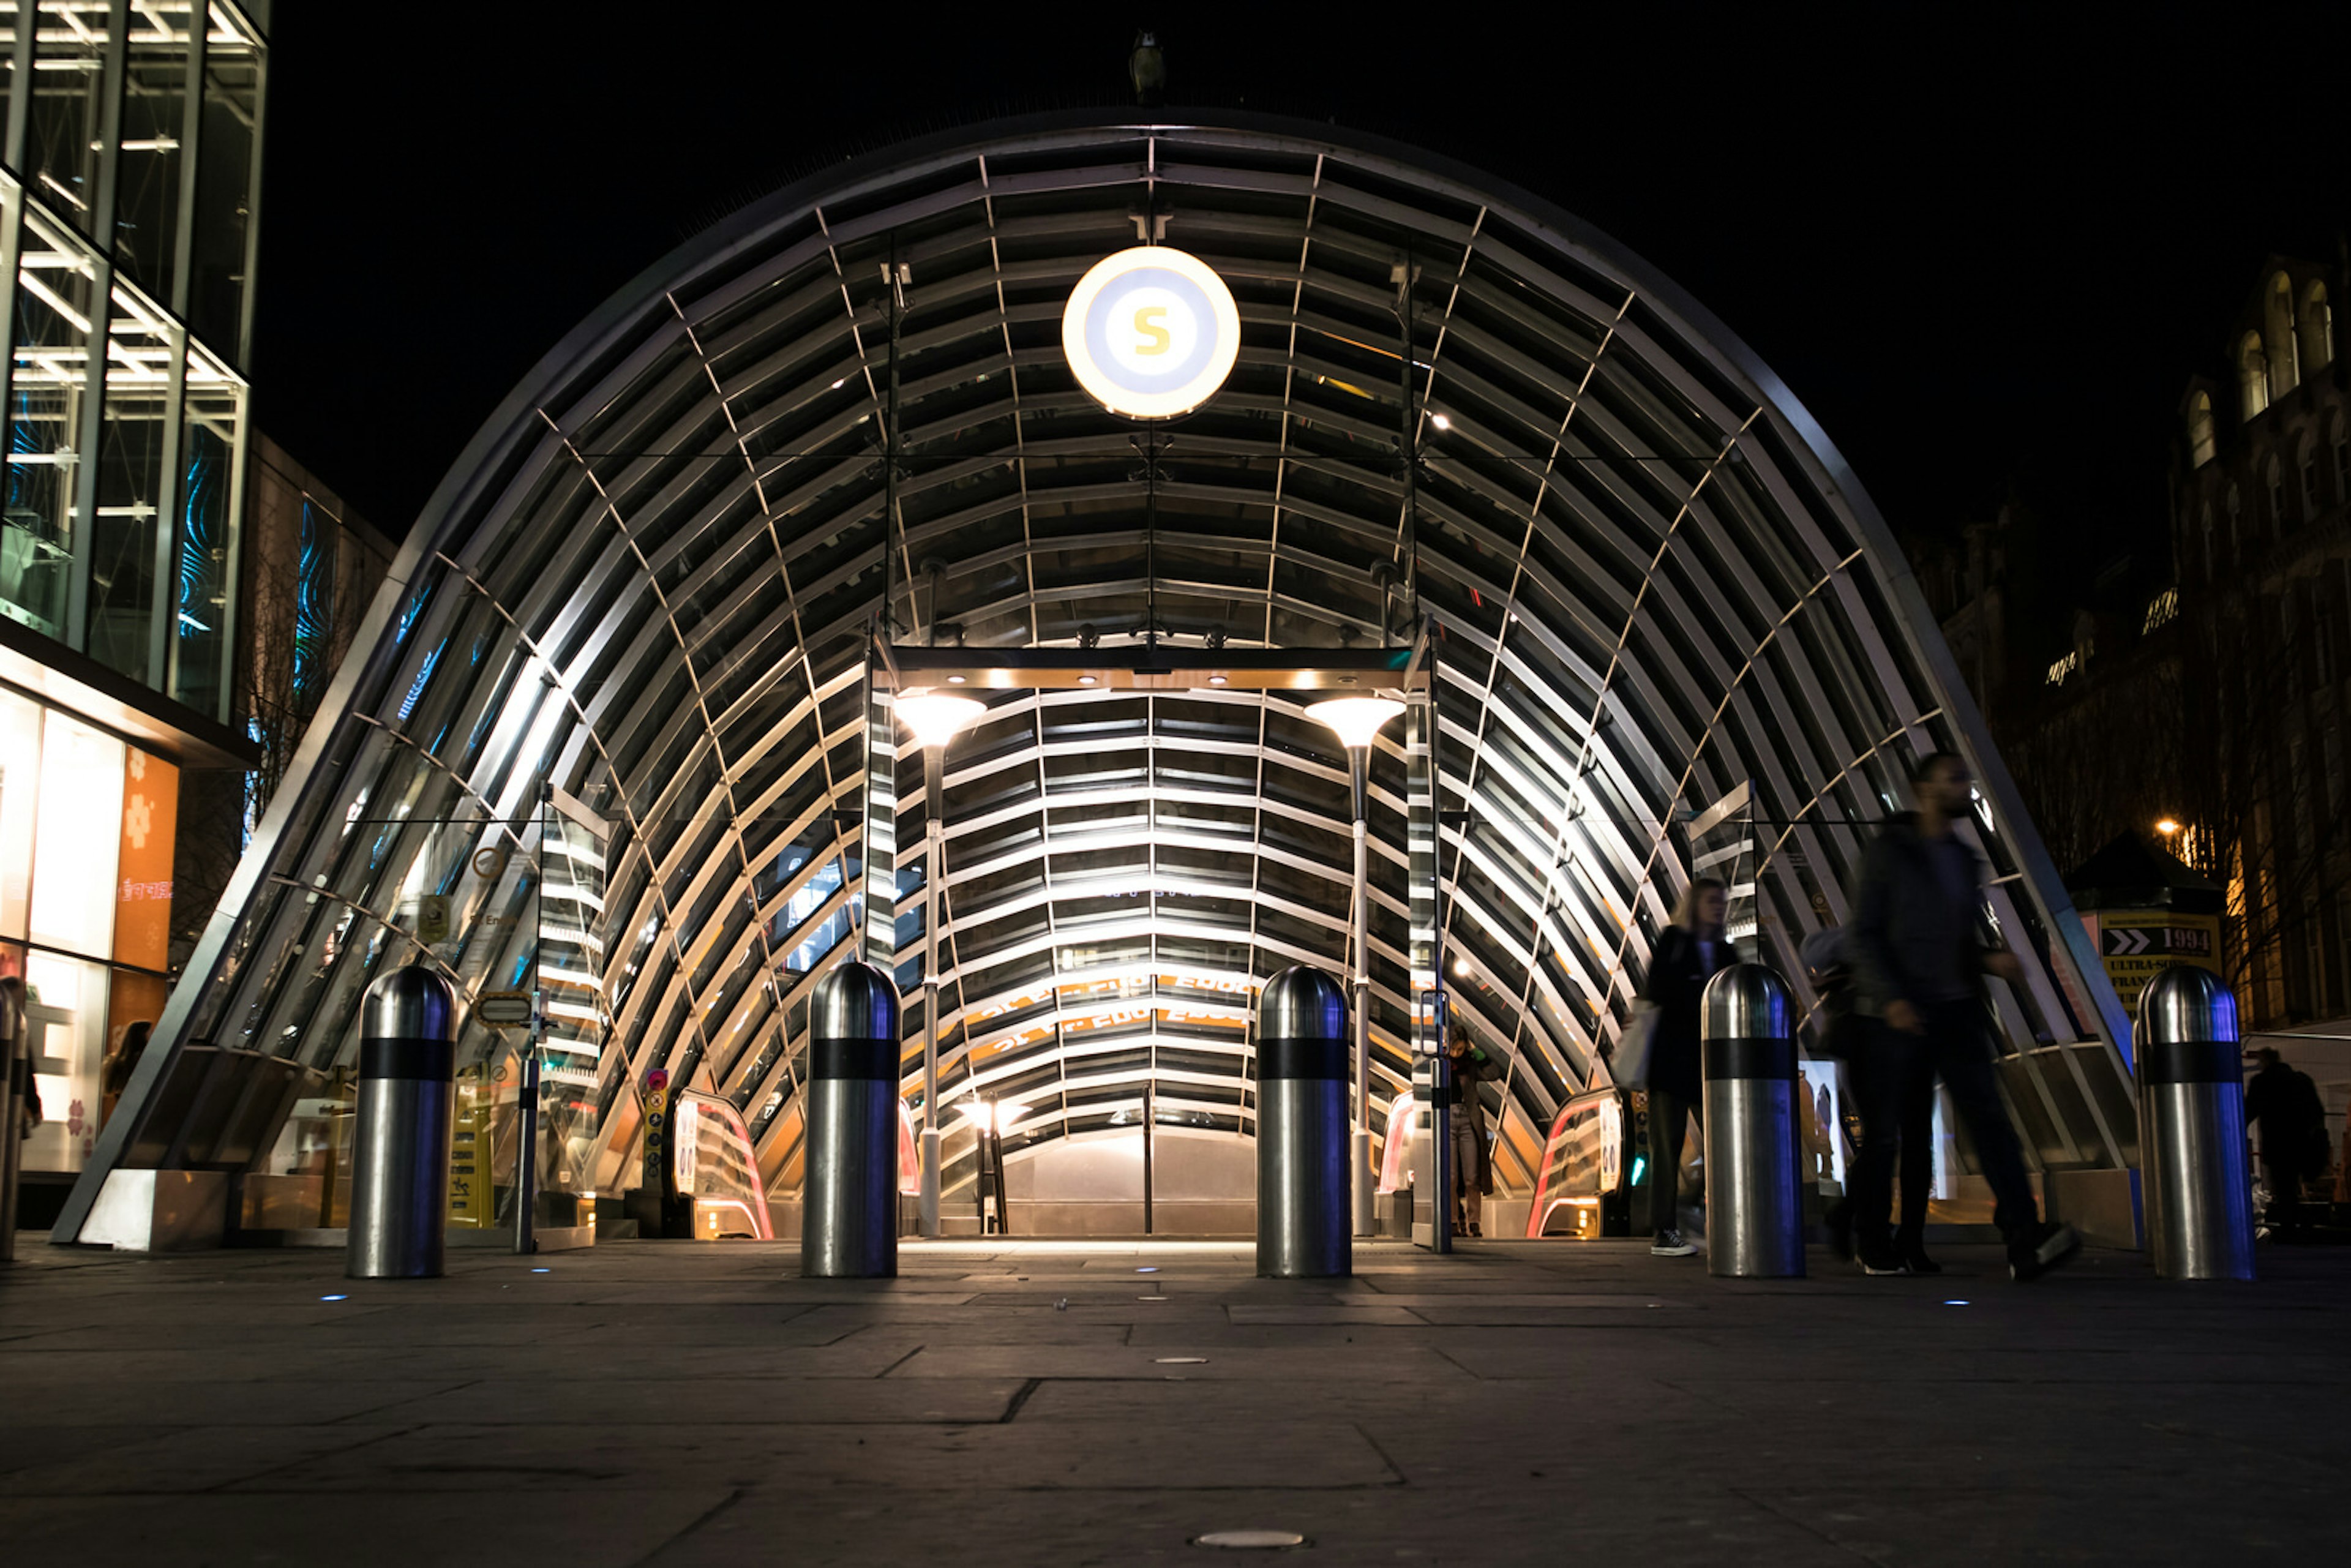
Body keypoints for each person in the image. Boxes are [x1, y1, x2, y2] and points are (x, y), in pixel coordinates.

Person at [1848, 751, 2080, 1283]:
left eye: (1966, 779)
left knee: (1990, 1121)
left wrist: (1987, 959)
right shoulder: (1888, 853)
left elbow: (1952, 943)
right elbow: (1865, 934)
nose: (1964, 787)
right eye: (1955, 779)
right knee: (1886, 1134)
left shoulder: (1963, 860)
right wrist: (1890, 1000)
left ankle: (2025, 1237)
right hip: (1896, 1015)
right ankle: (1873, 1239)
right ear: (1924, 789)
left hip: (1955, 1010)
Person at [1640, 877, 1734, 1258]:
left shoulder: (1727, 952)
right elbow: (1656, 993)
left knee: (1723, 1141)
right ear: (1694, 904)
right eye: (1711, 901)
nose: (1719, 908)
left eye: (1722, 902)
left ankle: (1694, 1203)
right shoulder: (1675, 943)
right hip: (1672, 1062)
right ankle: (1664, 1229)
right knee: (1667, 1146)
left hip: (1710, 1064)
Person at [2243, 1046, 2326, 1240]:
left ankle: (2288, 1228)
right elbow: (2316, 1112)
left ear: (2265, 1062)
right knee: (2295, 1185)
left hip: (2277, 1144)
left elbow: (2249, 1112)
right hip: (2301, 1142)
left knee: (2283, 1187)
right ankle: (2301, 1225)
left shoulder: (2262, 1083)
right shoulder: (2301, 1080)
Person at [1444, 1023, 1504, 1237]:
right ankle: (1451, 1220)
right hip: (1446, 1120)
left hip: (1468, 1119)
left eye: (1460, 1049)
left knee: (1472, 1176)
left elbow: (1494, 1072)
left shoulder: (1470, 1065)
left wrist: (1478, 1053)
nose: (1457, 1054)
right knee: (1450, 1176)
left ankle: (1474, 1221)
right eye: (1454, 1049)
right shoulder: (1440, 1064)